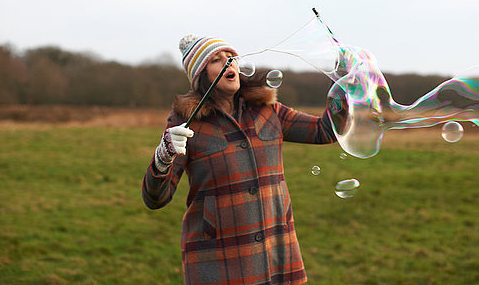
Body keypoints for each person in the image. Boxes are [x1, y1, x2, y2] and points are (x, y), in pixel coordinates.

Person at [142, 34, 337, 285]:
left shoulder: (268, 110)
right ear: (202, 75)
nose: (228, 63)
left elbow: (325, 131)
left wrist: (343, 92)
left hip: (277, 249)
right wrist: (163, 156)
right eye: (216, 60)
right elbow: (155, 198)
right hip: (219, 258)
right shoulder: (186, 122)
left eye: (231, 58)